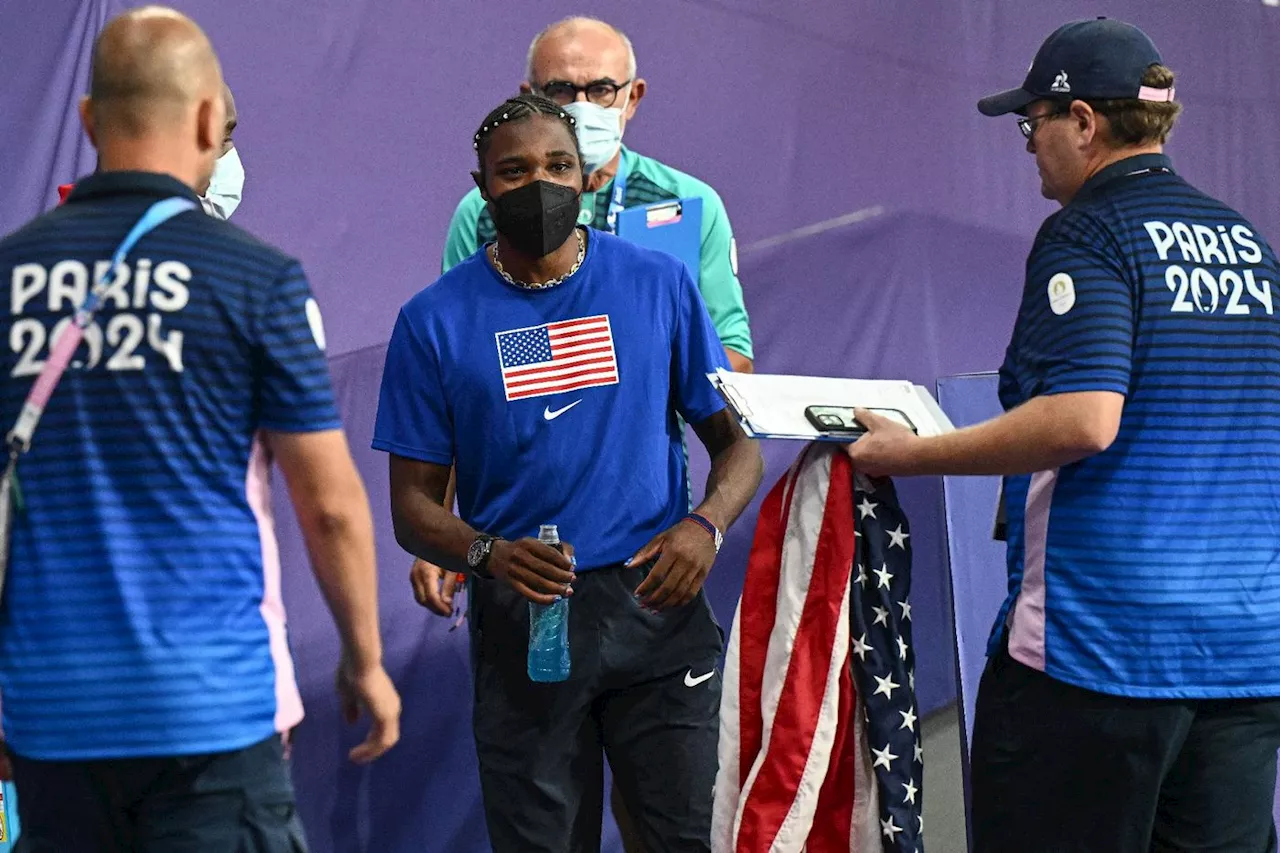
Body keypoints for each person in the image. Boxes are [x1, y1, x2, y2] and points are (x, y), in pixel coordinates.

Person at [844, 17, 1280, 853]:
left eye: (1033, 121)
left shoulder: (1088, 232)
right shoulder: (1251, 245)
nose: (1029, 143)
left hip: (1102, 650)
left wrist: (912, 454)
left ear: (1083, 121)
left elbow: (1083, 417)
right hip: (1246, 648)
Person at [0, 7, 400, 851]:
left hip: (51, 709)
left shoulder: (10, 276)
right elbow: (328, 504)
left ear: (88, 120)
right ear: (210, 120)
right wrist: (365, 658)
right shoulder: (255, 279)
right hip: (210, 712)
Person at [374, 93, 763, 852]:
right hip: (527, 618)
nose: (539, 185)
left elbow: (737, 446)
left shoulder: (658, 285)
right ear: (481, 188)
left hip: (657, 602)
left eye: (557, 165)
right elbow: (411, 507)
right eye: (513, 171)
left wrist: (705, 526)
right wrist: (486, 552)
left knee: (681, 837)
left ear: (586, 178)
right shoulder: (434, 320)